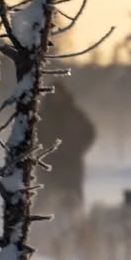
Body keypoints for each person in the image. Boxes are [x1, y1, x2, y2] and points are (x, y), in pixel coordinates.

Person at [37, 79, 97, 217]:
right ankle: (36, 234)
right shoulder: (42, 115)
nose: (58, 96)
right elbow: (32, 135)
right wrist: (43, 148)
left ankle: (77, 235)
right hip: (48, 164)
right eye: (54, 93)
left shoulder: (75, 113)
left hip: (71, 166)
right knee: (43, 202)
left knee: (73, 204)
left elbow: (90, 132)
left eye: (60, 93)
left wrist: (79, 149)